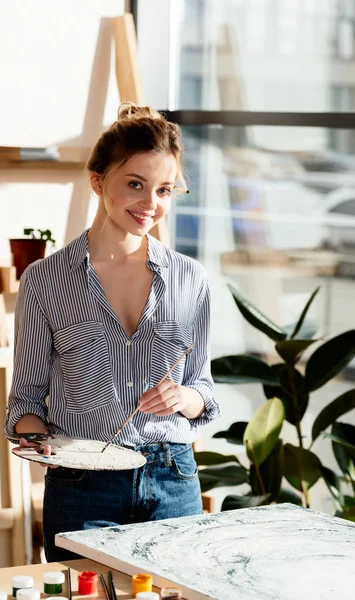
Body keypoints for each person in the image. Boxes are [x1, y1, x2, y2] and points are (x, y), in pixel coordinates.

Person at [4, 103, 220, 562]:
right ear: (99, 182)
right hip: (82, 486)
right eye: (135, 184)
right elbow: (24, 404)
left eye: (164, 189)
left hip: (173, 478)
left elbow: (203, 388)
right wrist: (38, 441)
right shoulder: (45, 280)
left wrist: (183, 397)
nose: (151, 204)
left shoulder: (190, 279)